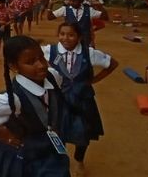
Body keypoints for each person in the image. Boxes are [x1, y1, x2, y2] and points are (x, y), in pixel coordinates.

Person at [0, 36, 70, 176]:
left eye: (41, 58)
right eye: (30, 62)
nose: (41, 65)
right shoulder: (12, 99)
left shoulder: (52, 76)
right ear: (13, 66)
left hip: (47, 149)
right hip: (25, 158)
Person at [43, 22, 117, 177]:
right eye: (62, 34)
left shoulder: (88, 53)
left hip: (82, 99)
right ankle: (60, 160)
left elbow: (112, 64)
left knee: (82, 132)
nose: (66, 38)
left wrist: (94, 80)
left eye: (71, 35)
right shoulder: (50, 51)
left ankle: (79, 160)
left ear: (79, 37)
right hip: (59, 100)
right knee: (57, 131)